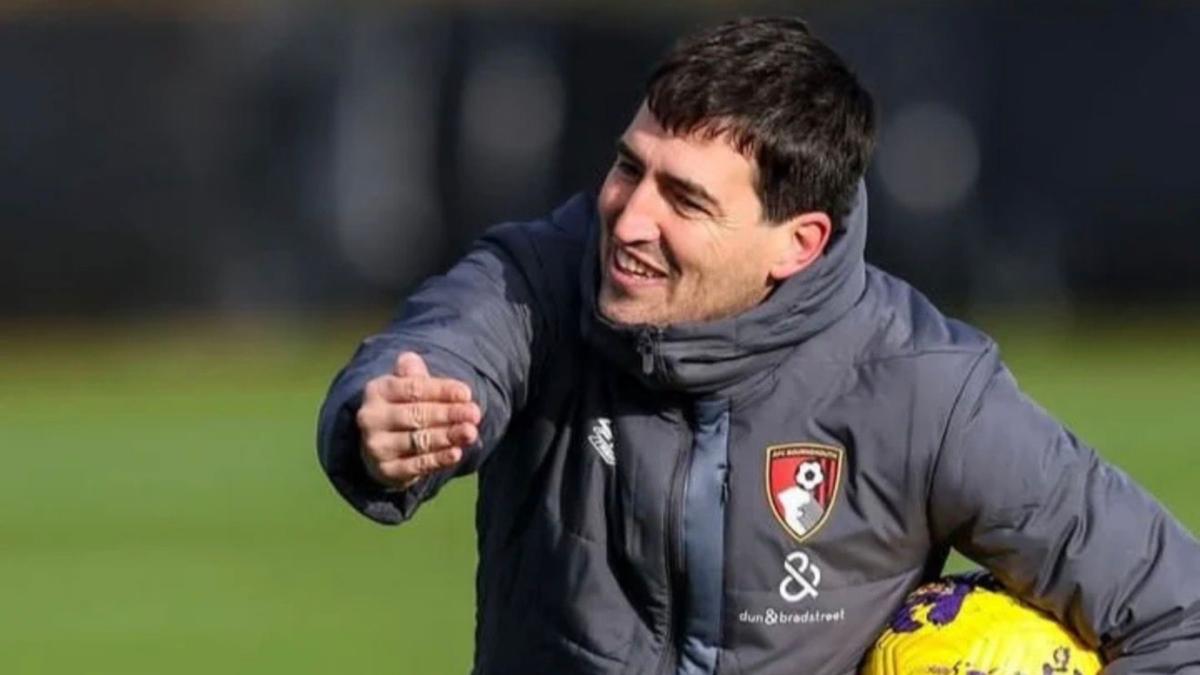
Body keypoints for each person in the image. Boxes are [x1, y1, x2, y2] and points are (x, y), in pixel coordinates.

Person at [317, 16, 1200, 674]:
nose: (630, 216)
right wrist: (385, 421)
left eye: (686, 200)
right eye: (629, 166)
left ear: (797, 243)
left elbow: (1176, 615)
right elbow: (446, 346)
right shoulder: (541, 281)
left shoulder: (923, 388)